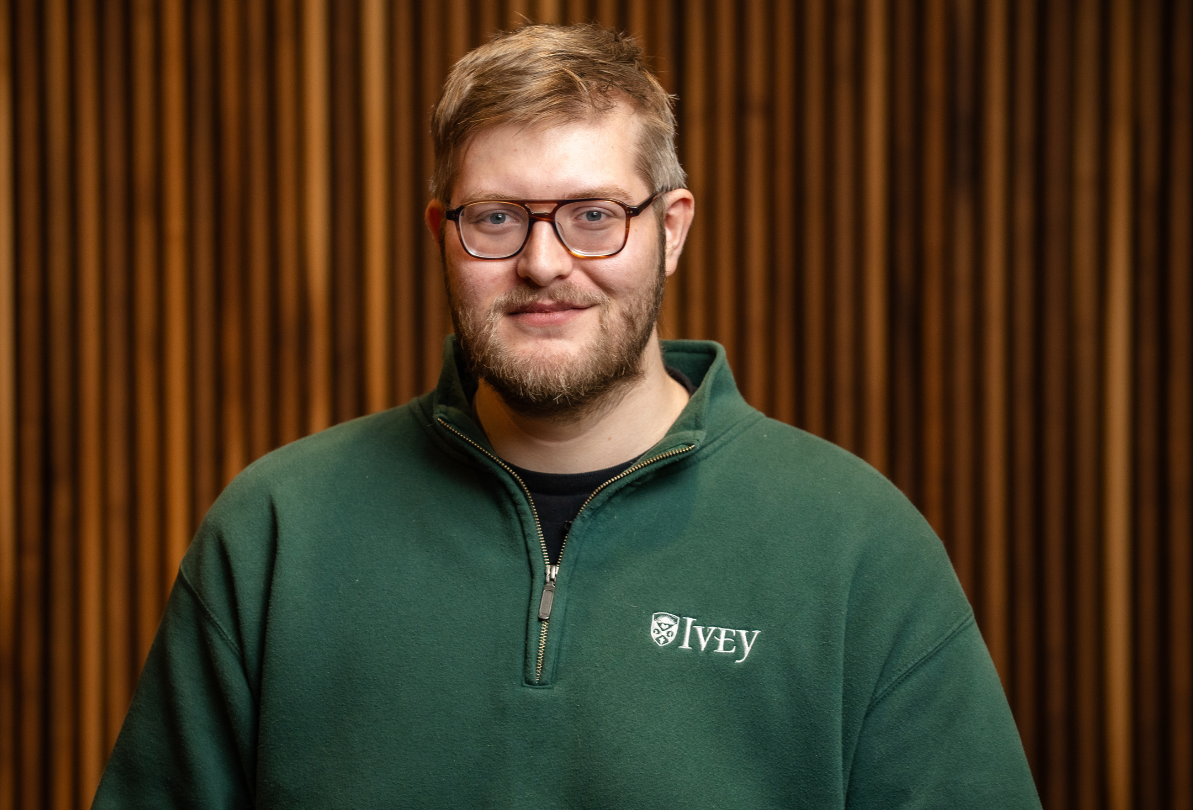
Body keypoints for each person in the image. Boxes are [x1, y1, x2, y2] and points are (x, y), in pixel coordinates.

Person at [92, 23, 1042, 809]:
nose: (544, 262)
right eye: (497, 218)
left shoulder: (855, 546)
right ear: (442, 235)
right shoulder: (276, 533)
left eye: (594, 214)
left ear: (670, 231)